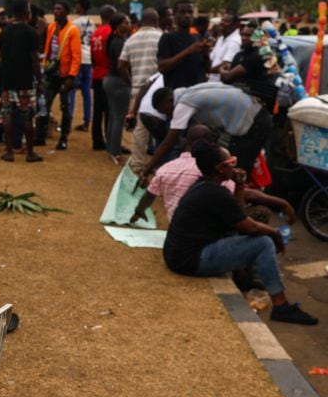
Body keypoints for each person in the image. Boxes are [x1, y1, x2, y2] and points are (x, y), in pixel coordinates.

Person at [162, 142, 316, 325]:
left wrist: (239, 185)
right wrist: (274, 233)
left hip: (179, 256)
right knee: (263, 243)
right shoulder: (215, 193)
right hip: (191, 260)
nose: (236, 166)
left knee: (239, 231)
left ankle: (244, 279)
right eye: (232, 162)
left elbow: (238, 214)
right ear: (220, 168)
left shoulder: (205, 185)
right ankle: (281, 306)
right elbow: (249, 226)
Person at [132, 125, 297, 223]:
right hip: (205, 228)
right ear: (212, 144)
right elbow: (244, 195)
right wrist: (281, 203)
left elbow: (149, 195)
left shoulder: (166, 168)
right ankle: (245, 272)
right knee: (260, 213)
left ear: (186, 142)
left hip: (177, 225)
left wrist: (139, 212)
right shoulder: (214, 169)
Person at [142, 81, 270, 177]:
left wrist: (146, 171)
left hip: (254, 121)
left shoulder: (183, 104)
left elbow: (168, 143)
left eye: (167, 111)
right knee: (231, 162)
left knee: (237, 168)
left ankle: (235, 205)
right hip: (254, 113)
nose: (169, 116)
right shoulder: (187, 92)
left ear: (170, 101)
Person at [117, 8, 163, 174]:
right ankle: (159, 166)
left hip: (138, 90)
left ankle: (136, 166)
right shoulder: (161, 37)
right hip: (159, 91)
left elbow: (121, 65)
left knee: (139, 132)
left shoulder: (131, 40)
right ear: (156, 22)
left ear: (141, 22)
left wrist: (131, 83)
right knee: (161, 130)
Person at [0, 0, 43, 163]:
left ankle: (9, 151)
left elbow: (1, 55)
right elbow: (34, 60)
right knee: (27, 116)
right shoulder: (31, 32)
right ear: (26, 12)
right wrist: (40, 80)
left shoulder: (5, 31)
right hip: (25, 82)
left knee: (8, 115)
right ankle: (30, 153)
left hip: (8, 81)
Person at [42, 3, 82, 150]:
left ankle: (63, 138)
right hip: (51, 73)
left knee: (65, 107)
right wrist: (44, 65)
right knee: (44, 104)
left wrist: (72, 76)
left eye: (59, 9)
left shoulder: (73, 30)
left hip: (65, 75)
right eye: (55, 8)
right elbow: (47, 48)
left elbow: (76, 56)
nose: (55, 11)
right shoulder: (52, 27)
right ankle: (41, 135)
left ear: (66, 12)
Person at [221, 22, 279, 109]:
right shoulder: (241, 54)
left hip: (255, 105)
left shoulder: (259, 54)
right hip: (242, 101)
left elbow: (227, 78)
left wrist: (221, 69)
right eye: (242, 35)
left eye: (248, 35)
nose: (244, 38)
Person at [157, 0, 209, 90]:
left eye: (190, 12)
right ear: (174, 15)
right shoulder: (168, 38)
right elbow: (162, 67)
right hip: (177, 92)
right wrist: (188, 51)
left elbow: (206, 68)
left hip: (197, 92)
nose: (187, 15)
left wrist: (205, 53)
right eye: (182, 12)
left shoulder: (198, 37)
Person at [102, 13, 132, 160]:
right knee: (119, 117)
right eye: (125, 23)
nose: (128, 25)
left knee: (114, 116)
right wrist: (130, 82)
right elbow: (122, 66)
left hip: (110, 80)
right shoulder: (120, 43)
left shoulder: (112, 40)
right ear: (118, 26)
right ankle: (115, 151)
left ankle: (111, 148)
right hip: (119, 81)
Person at [89, 5, 116, 151]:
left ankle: (97, 140)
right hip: (108, 74)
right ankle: (110, 139)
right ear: (111, 16)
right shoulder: (111, 32)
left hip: (97, 74)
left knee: (98, 110)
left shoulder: (96, 33)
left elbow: (93, 58)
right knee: (110, 111)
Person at [71, 0, 94, 131]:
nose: (76, 7)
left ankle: (69, 119)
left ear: (82, 8)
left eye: (77, 6)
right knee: (86, 92)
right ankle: (86, 122)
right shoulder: (92, 23)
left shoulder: (75, 23)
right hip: (89, 58)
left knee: (72, 91)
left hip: (78, 58)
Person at [208, 13, 241, 82]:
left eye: (226, 21)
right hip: (212, 81)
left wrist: (207, 70)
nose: (222, 23)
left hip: (221, 85)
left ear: (236, 25)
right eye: (222, 20)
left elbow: (226, 65)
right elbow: (211, 58)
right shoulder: (221, 38)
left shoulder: (234, 41)